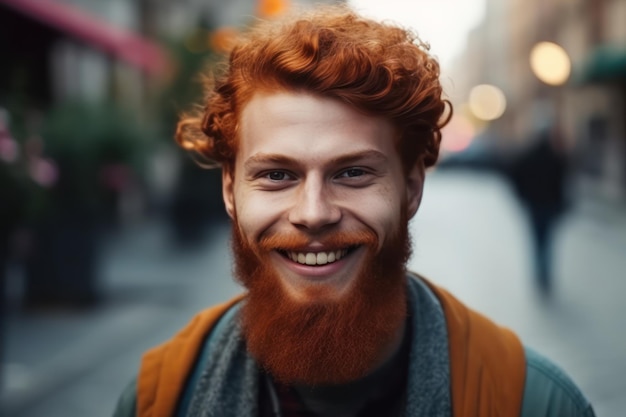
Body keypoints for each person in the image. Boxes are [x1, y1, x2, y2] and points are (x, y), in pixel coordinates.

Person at [114, 5, 595, 417]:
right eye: (278, 175)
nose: (313, 213)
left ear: (410, 188)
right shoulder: (159, 398)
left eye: (353, 173)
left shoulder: (529, 401)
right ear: (230, 191)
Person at [508, 126, 569, 294]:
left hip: (534, 205)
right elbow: (562, 184)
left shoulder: (529, 157)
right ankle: (545, 275)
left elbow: (515, 176)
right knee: (547, 241)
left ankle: (539, 273)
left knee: (536, 240)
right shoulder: (555, 158)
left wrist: (522, 196)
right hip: (548, 206)